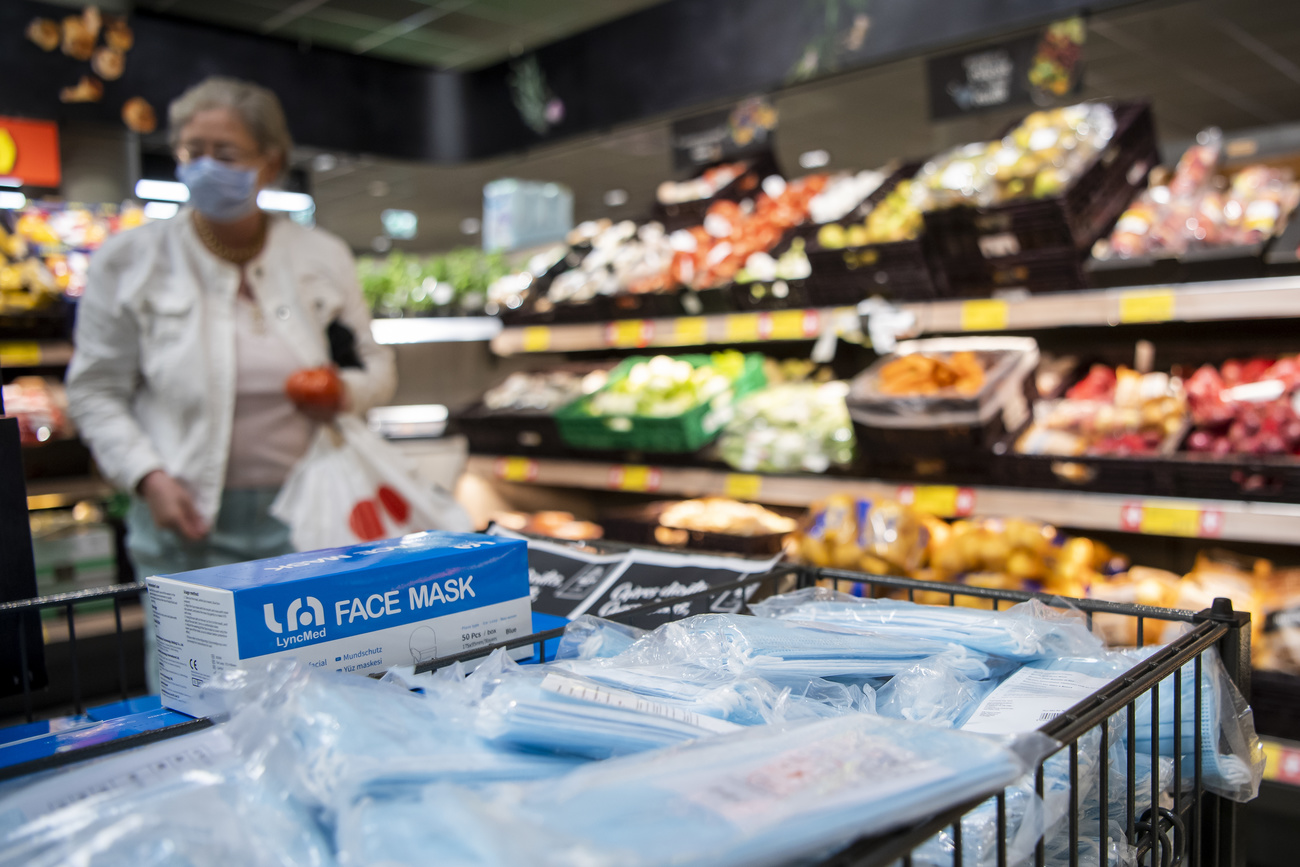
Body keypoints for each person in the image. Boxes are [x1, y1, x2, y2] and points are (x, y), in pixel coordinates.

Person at [67, 76, 396, 586]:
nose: (205, 167)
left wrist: (341, 392)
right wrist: (147, 476)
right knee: (197, 664)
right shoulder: (130, 260)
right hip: (187, 519)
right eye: (192, 150)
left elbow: (376, 368)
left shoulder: (320, 257)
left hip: (316, 511)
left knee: (322, 660)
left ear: (270, 162)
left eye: (225, 153)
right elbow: (94, 390)